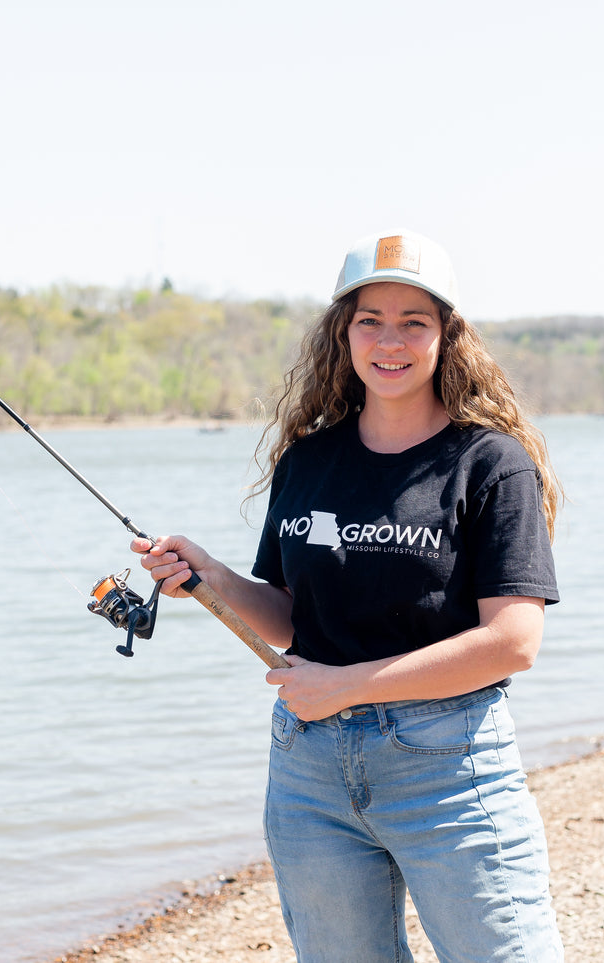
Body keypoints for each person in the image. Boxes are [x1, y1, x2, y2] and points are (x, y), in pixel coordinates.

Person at [133, 229, 565, 961]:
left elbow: (513, 641)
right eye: (370, 319)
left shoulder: (489, 462)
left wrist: (347, 685)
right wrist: (208, 575)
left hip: (449, 767)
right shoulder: (309, 458)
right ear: (344, 332)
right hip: (308, 770)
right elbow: (290, 614)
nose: (388, 339)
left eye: (413, 321)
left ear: (446, 336)